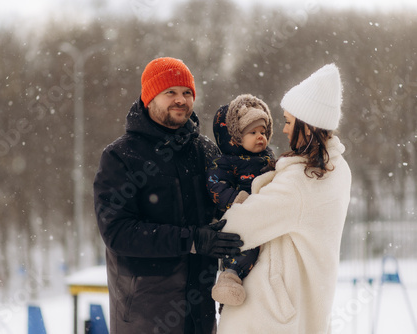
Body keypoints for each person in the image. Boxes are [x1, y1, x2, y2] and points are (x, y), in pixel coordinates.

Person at [93, 57, 243, 334]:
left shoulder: (206, 151)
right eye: (170, 92)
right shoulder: (121, 156)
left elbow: (229, 209)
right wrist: (194, 240)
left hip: (200, 311)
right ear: (149, 98)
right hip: (145, 313)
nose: (181, 100)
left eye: (187, 93)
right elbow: (118, 232)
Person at [216, 63, 352, 333]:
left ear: (308, 125)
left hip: (271, 314)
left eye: (289, 122)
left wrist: (201, 232)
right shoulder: (338, 169)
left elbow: (238, 227)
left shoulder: (302, 181)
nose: (285, 130)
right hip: (300, 304)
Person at [206, 94, 275, 306]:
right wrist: (237, 199)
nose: (260, 137)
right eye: (252, 132)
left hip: (264, 216)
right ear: (234, 138)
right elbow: (215, 184)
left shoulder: (268, 157)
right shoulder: (225, 161)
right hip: (240, 216)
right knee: (244, 248)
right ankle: (229, 279)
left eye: (263, 132)